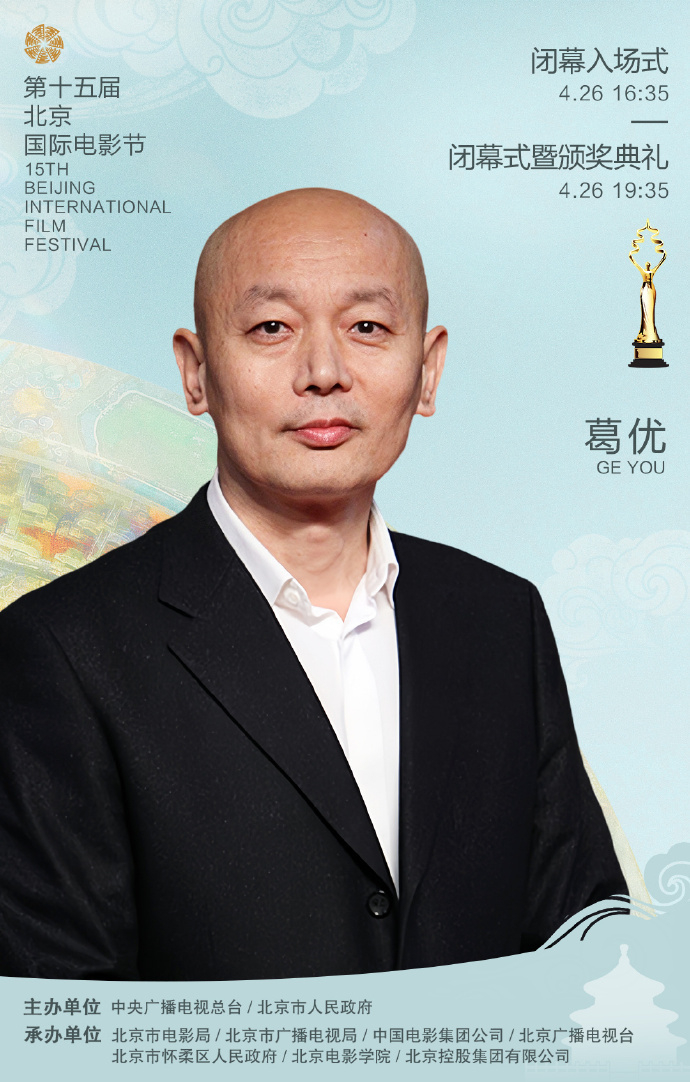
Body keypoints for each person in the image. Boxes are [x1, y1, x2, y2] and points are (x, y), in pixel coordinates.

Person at [0, 188, 626, 980]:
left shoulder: (500, 618)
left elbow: (585, 948)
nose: (324, 373)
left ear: (428, 369)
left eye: (367, 328)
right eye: (272, 328)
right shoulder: (63, 649)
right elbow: (61, 1013)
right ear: (196, 373)